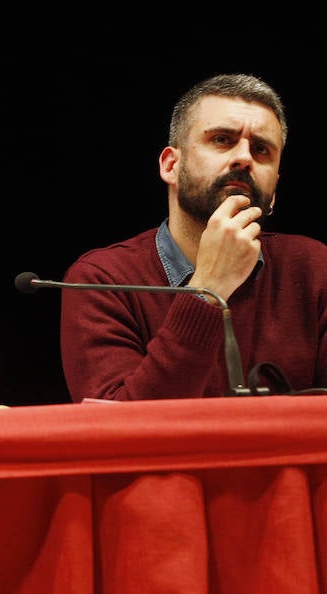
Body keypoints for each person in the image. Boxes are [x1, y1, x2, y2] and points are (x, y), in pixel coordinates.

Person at [60, 73, 327, 402]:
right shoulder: (102, 280)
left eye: (261, 150)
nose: (244, 158)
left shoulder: (315, 268)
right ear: (171, 165)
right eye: (222, 140)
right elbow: (121, 433)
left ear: (275, 188)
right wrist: (209, 289)